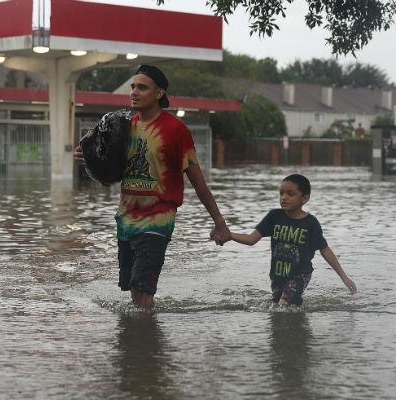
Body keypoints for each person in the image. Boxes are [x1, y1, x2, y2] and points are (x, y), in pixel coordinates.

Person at [74, 65, 230, 308]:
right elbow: (111, 174)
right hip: (126, 219)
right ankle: (138, 339)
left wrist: (219, 221)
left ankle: (147, 342)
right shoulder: (124, 128)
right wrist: (91, 159)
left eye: (142, 87)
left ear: (159, 93)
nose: (134, 92)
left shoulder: (176, 130)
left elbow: (196, 178)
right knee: (133, 291)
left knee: (142, 288)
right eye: (133, 87)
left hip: (158, 219)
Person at [229, 174, 357, 306]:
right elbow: (251, 239)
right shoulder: (274, 216)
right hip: (277, 275)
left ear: (304, 199)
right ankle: (300, 320)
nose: (284, 197)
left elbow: (325, 250)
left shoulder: (310, 223)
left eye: (290, 194)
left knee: (283, 303)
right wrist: (229, 235)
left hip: (300, 274)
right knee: (280, 308)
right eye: (281, 193)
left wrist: (344, 277)